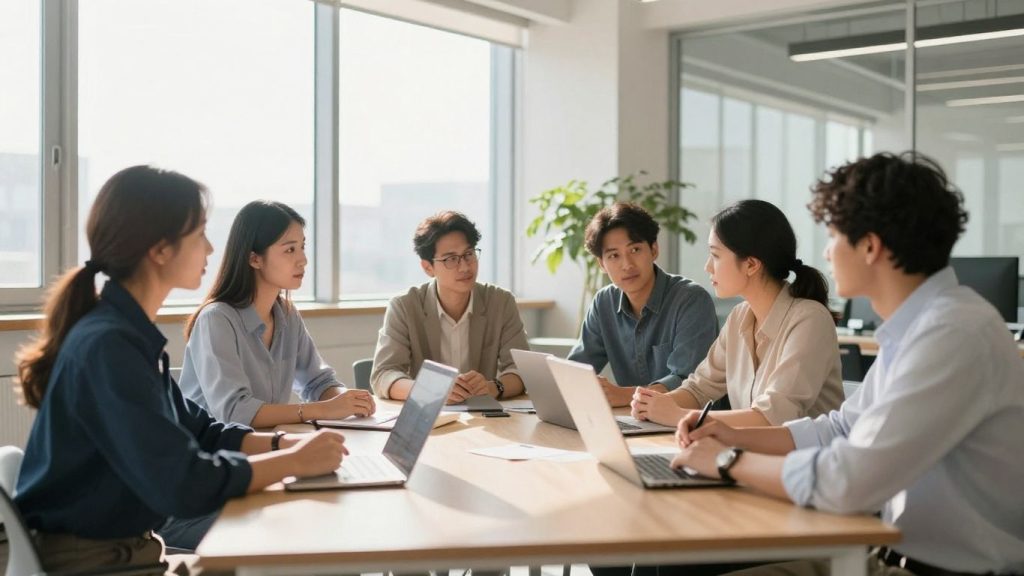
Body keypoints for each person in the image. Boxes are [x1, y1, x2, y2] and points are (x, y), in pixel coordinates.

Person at [671, 152, 1024, 575]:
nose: (825, 249)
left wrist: (728, 461)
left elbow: (848, 481)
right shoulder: (916, 329)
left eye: (834, 235)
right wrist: (729, 434)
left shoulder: (953, 334)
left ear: (870, 246)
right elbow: (840, 428)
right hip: (884, 556)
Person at [11, 166, 349, 573]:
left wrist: (286, 446)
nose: (210, 249)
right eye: (200, 233)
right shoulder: (109, 346)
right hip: (96, 562)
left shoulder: (129, 335)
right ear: (160, 250)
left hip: (129, 549)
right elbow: (183, 483)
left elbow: (205, 432)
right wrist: (294, 463)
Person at [631, 199, 843, 429]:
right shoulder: (740, 316)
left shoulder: (809, 320)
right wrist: (653, 405)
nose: (707, 267)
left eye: (716, 255)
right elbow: (699, 388)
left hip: (805, 461)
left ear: (751, 264)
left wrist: (677, 416)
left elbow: (772, 418)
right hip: (754, 454)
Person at [179, 200, 375, 427]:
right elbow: (235, 412)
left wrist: (349, 400)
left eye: (302, 247)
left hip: (266, 443)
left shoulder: (287, 315)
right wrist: (324, 409)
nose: (303, 259)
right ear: (254, 259)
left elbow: (317, 381)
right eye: (290, 250)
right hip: (216, 454)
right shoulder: (216, 320)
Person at [568, 202, 718, 407]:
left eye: (635, 249)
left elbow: (689, 382)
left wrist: (623, 396)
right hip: (636, 421)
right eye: (614, 255)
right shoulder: (604, 303)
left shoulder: (691, 300)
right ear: (602, 264)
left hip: (691, 422)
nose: (627, 265)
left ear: (654, 249)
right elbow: (576, 369)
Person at [372, 211, 529, 403]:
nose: (464, 267)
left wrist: (492, 387)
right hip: (430, 419)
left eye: (468, 254)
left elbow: (522, 371)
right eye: (450, 259)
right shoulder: (404, 306)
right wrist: (431, 391)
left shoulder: (500, 302)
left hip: (483, 418)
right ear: (428, 268)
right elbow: (383, 374)